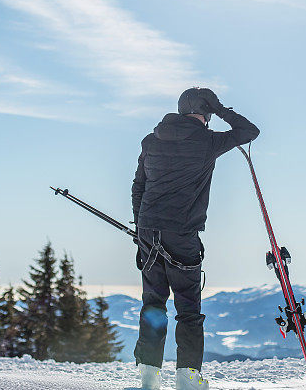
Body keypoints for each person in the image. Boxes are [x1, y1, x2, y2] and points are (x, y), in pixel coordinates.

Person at [131, 87, 259, 390]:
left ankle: (148, 380)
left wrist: (141, 226)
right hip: (181, 233)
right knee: (188, 309)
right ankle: (187, 381)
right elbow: (249, 131)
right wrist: (222, 108)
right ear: (208, 111)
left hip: (148, 231)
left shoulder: (151, 140)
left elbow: (138, 186)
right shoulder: (207, 141)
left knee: (153, 304)